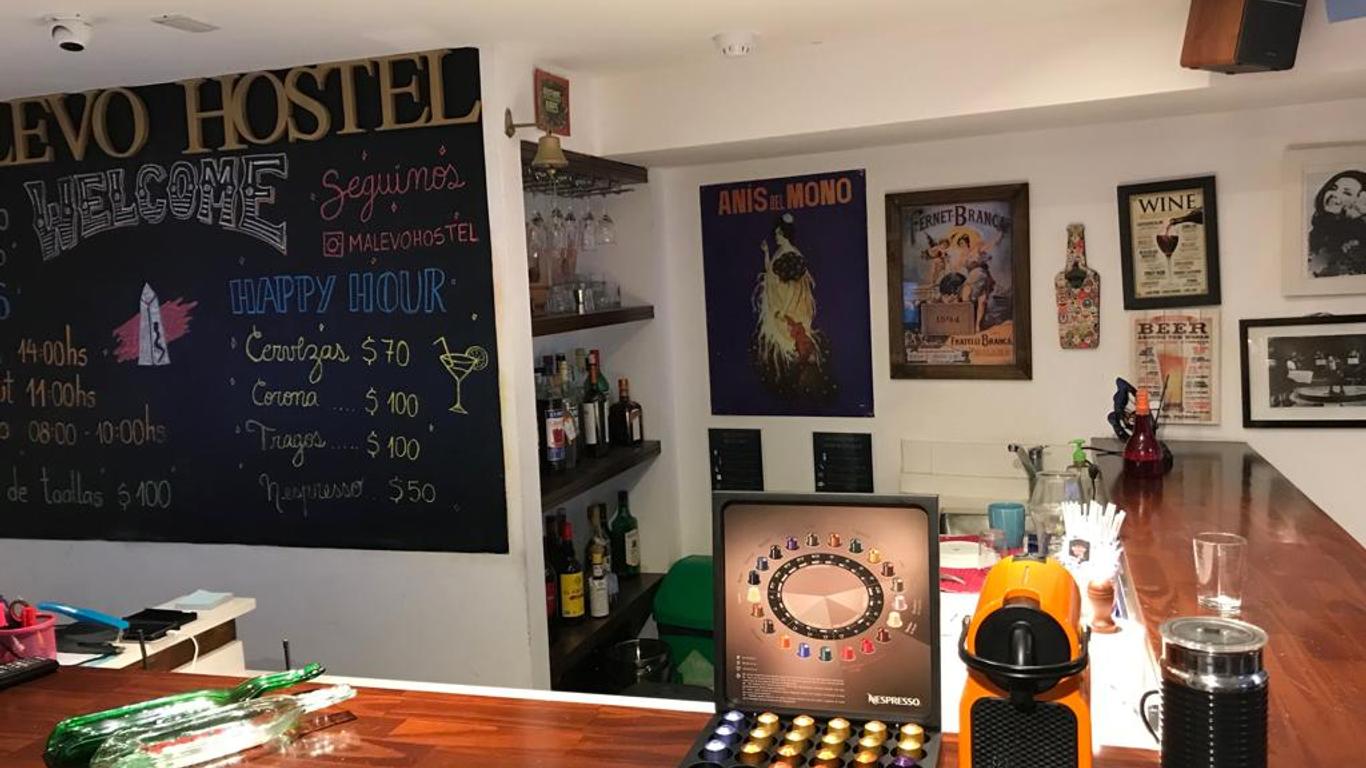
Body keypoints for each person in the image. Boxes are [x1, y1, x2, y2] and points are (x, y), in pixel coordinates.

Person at [750, 213, 835, 401]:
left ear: (784, 234)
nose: (776, 237)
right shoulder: (781, 253)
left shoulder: (792, 256)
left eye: (778, 234)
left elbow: (792, 289)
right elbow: (771, 276)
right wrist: (766, 253)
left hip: (786, 309)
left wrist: (783, 311)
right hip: (781, 308)